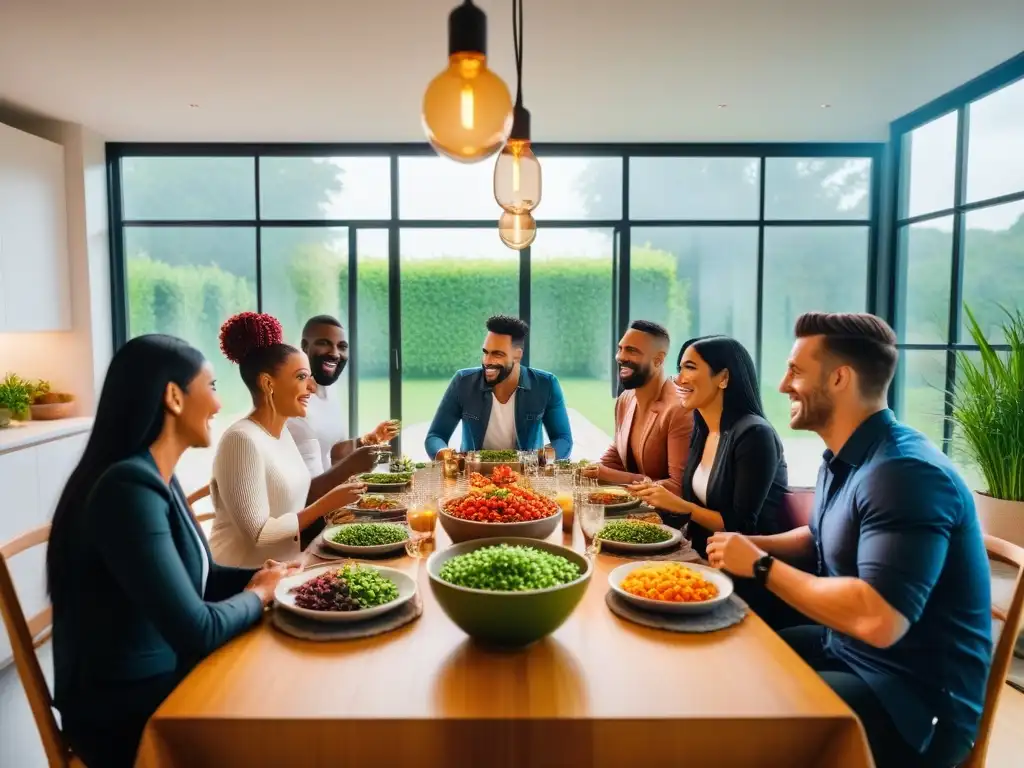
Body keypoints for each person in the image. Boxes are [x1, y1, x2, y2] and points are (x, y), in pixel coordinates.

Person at [706, 312, 992, 768]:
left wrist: (760, 567)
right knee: (730, 654)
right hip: (849, 650)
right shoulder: (847, 455)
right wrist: (746, 544)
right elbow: (821, 535)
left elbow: (878, 618)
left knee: (739, 720)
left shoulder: (904, 472)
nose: (781, 385)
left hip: (913, 701)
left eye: (796, 371)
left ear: (840, 378)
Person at [47, 334, 296, 768]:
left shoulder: (157, 473)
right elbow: (197, 630)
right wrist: (259, 595)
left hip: (165, 672)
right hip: (126, 711)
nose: (220, 405)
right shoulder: (126, 488)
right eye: (213, 387)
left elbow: (202, 577)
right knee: (283, 717)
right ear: (174, 397)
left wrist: (281, 577)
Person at [209, 312, 366, 568]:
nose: (312, 387)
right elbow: (260, 535)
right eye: (302, 377)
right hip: (242, 581)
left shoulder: (282, 434)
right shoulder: (241, 440)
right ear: (268, 384)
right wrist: (326, 504)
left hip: (286, 568)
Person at [629, 336, 787, 559]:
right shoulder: (703, 427)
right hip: (700, 553)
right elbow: (692, 510)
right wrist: (654, 503)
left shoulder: (755, 434)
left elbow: (741, 526)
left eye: (690, 368)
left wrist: (681, 505)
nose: (679, 379)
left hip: (743, 568)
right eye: (680, 369)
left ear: (723, 378)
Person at [424, 314, 573, 459]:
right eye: (485, 353)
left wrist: (542, 458)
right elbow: (436, 436)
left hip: (525, 478)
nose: (487, 361)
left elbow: (563, 439)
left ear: (517, 355)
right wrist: (445, 454)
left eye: (497, 354)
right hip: (474, 475)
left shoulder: (545, 384)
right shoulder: (463, 382)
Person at [582, 320, 692, 494]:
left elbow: (677, 487)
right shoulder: (625, 399)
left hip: (667, 517)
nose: (620, 357)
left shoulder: (679, 409)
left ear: (658, 360)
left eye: (632, 351)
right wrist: (590, 471)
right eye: (620, 349)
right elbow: (619, 452)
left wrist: (626, 478)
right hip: (636, 505)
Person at [286, 314, 399, 476]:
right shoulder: (294, 403)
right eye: (324, 343)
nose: (335, 353)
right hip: (312, 499)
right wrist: (358, 465)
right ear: (304, 346)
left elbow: (334, 451)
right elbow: (305, 490)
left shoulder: (329, 390)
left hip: (330, 494)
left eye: (342, 346)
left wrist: (369, 440)